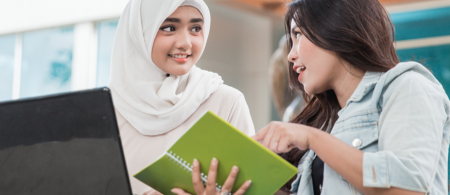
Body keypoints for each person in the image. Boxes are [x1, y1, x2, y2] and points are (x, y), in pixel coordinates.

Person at [175, 0, 450, 194]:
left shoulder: (407, 85)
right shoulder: (327, 122)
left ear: (337, 28)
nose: (291, 54)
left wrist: (312, 138)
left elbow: (406, 188)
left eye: (298, 35)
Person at [108, 0, 255, 194]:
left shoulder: (227, 102)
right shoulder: (106, 111)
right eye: (169, 28)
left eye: (195, 28)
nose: (186, 43)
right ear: (139, 33)